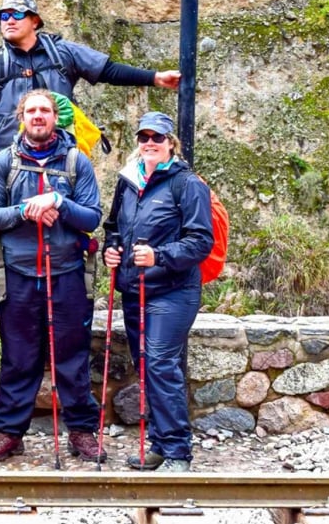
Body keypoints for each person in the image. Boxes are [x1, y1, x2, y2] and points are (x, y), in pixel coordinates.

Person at [0, 89, 104, 463]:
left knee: (72, 357)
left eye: (44, 110)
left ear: (55, 117)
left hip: (67, 273)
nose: (37, 115)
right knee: (19, 358)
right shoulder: (4, 163)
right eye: (31, 110)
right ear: (21, 117)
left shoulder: (77, 162)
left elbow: (92, 216)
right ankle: (9, 433)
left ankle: (81, 431)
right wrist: (26, 210)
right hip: (19, 274)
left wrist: (59, 203)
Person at [102, 111, 213, 473]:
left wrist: (159, 256)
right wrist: (111, 250)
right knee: (148, 367)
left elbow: (201, 241)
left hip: (173, 291)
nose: (150, 142)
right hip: (135, 290)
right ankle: (161, 445)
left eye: (157, 137)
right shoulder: (128, 181)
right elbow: (113, 227)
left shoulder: (187, 184)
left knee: (161, 364)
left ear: (170, 143)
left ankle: (178, 452)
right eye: (144, 137)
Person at [0, 0, 181, 149]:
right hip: (12, 160)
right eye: (3, 17)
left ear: (35, 21)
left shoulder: (62, 53)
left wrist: (155, 78)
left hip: (61, 157)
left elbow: (108, 71)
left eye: (17, 14)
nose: (8, 20)